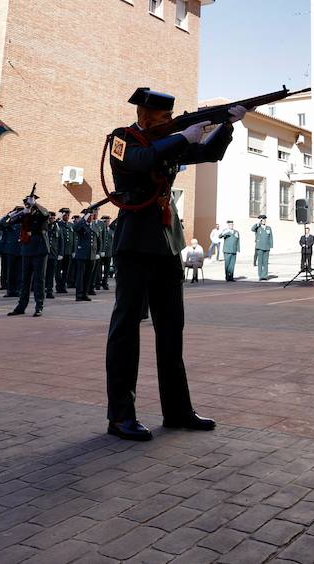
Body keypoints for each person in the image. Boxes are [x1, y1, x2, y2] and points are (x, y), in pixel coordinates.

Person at [104, 87, 244, 441]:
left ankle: (178, 410)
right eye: (164, 118)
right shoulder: (122, 139)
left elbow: (208, 153)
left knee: (171, 329)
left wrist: (226, 126)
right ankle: (120, 416)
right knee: (126, 328)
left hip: (166, 242)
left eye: (172, 118)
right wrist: (180, 135)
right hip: (135, 241)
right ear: (145, 116)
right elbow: (139, 161)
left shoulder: (169, 141)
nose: (169, 122)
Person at [7, 195, 53, 316]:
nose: (28, 207)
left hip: (40, 250)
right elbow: (9, 222)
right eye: (27, 205)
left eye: (30, 205)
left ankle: (39, 306)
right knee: (25, 280)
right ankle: (21, 306)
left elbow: (45, 214)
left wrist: (35, 204)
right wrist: (21, 213)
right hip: (27, 250)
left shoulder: (40, 214)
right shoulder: (25, 215)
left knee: (39, 280)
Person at [71, 211, 96, 301]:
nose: (92, 217)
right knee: (80, 276)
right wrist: (83, 219)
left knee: (88, 276)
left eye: (92, 216)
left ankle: (85, 293)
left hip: (91, 255)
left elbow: (98, 239)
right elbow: (75, 228)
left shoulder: (94, 226)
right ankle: (79, 294)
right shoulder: (82, 225)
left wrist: (97, 252)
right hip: (82, 254)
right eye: (90, 216)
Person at [52, 207, 73, 294]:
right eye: (65, 215)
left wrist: (73, 250)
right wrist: (58, 217)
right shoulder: (58, 224)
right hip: (60, 252)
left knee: (65, 270)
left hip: (68, 252)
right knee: (58, 270)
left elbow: (73, 238)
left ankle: (63, 286)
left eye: (68, 215)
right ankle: (58, 286)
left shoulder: (70, 225)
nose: (67, 216)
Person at [251, 216, 273, 280]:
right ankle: (260, 276)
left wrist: (270, 246)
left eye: (264, 220)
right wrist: (258, 224)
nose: (263, 221)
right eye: (262, 220)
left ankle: (265, 276)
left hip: (266, 247)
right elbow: (252, 229)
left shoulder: (268, 228)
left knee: (265, 262)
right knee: (260, 262)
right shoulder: (258, 227)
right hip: (260, 247)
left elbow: (271, 237)